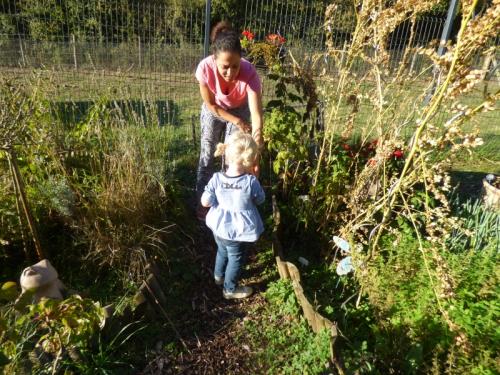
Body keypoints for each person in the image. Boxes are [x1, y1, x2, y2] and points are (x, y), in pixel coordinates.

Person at [195, 21, 264, 220]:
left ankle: (228, 206)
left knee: (233, 159)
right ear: (214, 59)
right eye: (225, 67)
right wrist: (235, 121)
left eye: (235, 66)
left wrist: (257, 147)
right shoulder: (205, 68)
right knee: (207, 155)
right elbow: (211, 106)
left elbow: (256, 114)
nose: (231, 72)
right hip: (214, 110)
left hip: (240, 110)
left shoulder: (250, 73)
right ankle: (203, 202)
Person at [201, 132, 265, 299]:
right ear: (250, 159)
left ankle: (218, 276)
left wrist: (216, 199)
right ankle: (230, 289)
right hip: (238, 231)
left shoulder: (216, 178)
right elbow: (260, 200)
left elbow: (205, 202)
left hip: (219, 227)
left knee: (222, 250)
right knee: (236, 258)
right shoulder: (250, 182)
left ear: (227, 154)